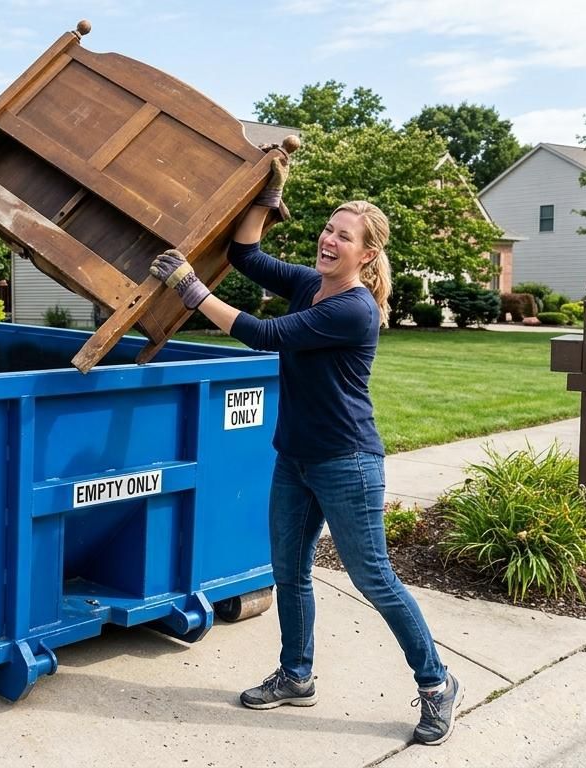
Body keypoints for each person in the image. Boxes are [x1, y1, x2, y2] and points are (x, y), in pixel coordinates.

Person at [148, 149, 463, 746]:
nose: (328, 239)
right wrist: (266, 197)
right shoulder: (310, 284)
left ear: (366, 254)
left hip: (347, 462)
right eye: (326, 228)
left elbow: (265, 336)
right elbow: (245, 255)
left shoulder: (352, 308)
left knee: (374, 579)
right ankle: (296, 675)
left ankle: (437, 683)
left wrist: (191, 290)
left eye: (343, 236)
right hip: (294, 456)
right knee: (289, 571)